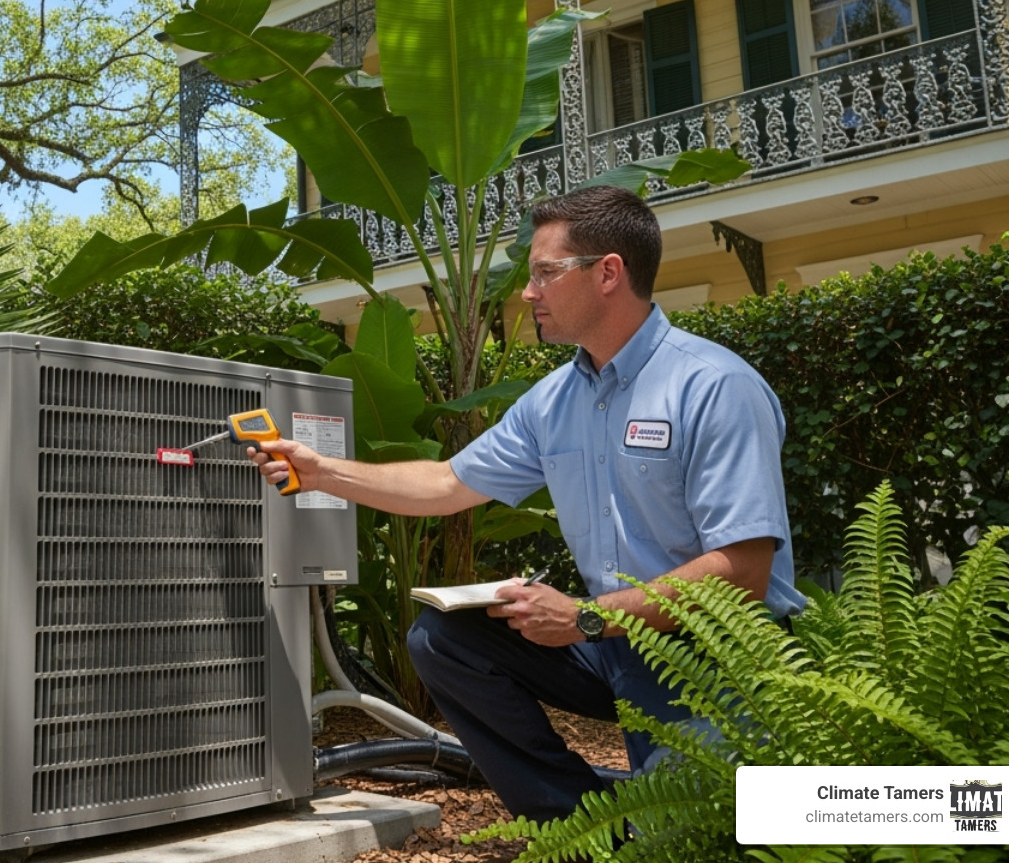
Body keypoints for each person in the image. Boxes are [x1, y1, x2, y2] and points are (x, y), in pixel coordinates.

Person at [246, 184, 803, 822]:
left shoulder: (714, 386)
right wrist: (322, 473)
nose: (529, 291)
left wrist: (586, 618)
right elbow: (447, 484)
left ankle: (653, 815)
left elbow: (743, 572)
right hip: (612, 644)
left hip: (717, 656)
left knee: (704, 826)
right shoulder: (554, 400)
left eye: (545, 273)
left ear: (608, 275)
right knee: (445, 638)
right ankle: (578, 819)